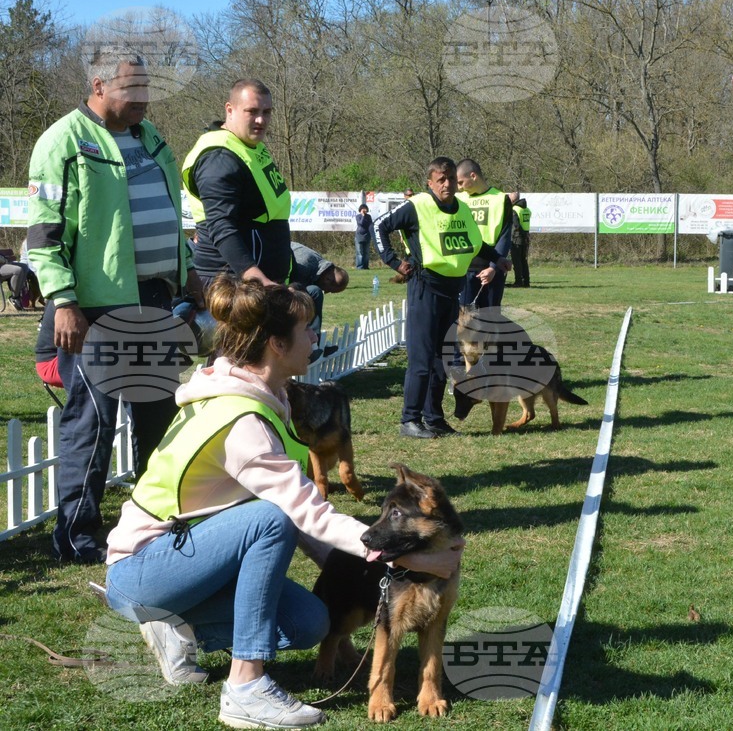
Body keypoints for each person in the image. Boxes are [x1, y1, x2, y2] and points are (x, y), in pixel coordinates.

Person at [103, 276, 463, 729]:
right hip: (142, 569)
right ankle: (245, 688)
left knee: (309, 623)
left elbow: (308, 516)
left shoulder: (266, 398)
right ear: (276, 343)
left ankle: (179, 626)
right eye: (306, 329)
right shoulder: (244, 420)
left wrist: (378, 564)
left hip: (188, 560)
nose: (315, 336)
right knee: (271, 519)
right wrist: (407, 556)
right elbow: (303, 513)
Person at [26, 50, 204, 564]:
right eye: (134, 91)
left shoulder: (151, 138)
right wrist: (63, 301)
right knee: (94, 422)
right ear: (100, 86)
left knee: (158, 416)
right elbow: (45, 232)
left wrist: (185, 267)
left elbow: (169, 214)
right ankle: (77, 535)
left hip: (155, 296)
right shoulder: (63, 141)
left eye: (149, 90)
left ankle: (155, 520)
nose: (144, 101)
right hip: (93, 307)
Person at [376, 157, 512, 438]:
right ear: (430, 183)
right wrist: (393, 261)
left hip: (452, 291)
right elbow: (379, 226)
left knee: (442, 359)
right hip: (425, 288)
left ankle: (434, 419)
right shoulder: (417, 206)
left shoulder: (461, 208)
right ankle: (409, 420)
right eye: (441, 180)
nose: (447, 184)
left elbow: (477, 243)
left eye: (451, 178)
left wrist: (498, 258)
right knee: (421, 359)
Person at [182, 79, 292, 289]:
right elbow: (221, 226)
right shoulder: (219, 157)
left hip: (258, 282)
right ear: (230, 110)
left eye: (267, 112)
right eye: (252, 111)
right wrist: (254, 276)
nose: (261, 120)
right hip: (234, 285)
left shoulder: (249, 146)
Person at [455, 159, 514, 309]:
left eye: (461, 182)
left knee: (491, 319)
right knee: (464, 319)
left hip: (491, 268)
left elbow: (505, 236)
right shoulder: (458, 200)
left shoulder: (500, 199)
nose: (459, 188)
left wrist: (493, 268)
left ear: (473, 176)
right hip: (464, 269)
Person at [289, 240, 348, 343]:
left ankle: (314, 341)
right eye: (329, 290)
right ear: (328, 279)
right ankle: (310, 342)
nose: (327, 292)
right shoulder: (305, 263)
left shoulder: (319, 265)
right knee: (315, 292)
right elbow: (292, 287)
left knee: (314, 292)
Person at [508, 192, 532, 288]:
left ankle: (518, 282)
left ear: (513, 200)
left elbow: (516, 225)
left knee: (516, 261)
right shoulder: (527, 209)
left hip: (517, 238)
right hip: (526, 237)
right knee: (524, 260)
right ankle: (526, 282)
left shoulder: (514, 209)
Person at [354, 204, 374, 269]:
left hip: (367, 236)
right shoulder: (358, 216)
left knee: (366, 253)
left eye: (365, 209)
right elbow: (361, 223)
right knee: (360, 252)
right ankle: (360, 266)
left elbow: (371, 225)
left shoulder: (369, 216)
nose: (364, 210)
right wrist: (363, 216)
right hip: (359, 236)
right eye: (363, 209)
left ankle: (366, 266)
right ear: (360, 210)